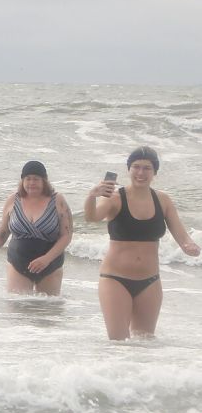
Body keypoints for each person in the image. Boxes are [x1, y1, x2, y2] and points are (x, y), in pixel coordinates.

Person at [84, 146, 200, 340]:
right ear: (128, 170)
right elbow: (92, 217)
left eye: (147, 168)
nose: (141, 172)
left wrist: (190, 246)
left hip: (150, 281)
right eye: (136, 167)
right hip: (115, 279)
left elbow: (181, 235)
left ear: (155, 172)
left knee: (145, 344)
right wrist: (91, 196)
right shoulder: (115, 198)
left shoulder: (163, 200)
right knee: (118, 342)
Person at [0, 161, 73, 295]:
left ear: (44, 181)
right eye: (28, 179)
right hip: (18, 262)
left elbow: (66, 235)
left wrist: (47, 259)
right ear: (22, 181)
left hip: (51, 264)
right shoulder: (13, 200)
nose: (32, 182)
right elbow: (3, 231)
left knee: (48, 310)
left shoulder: (58, 200)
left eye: (36, 179)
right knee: (18, 309)